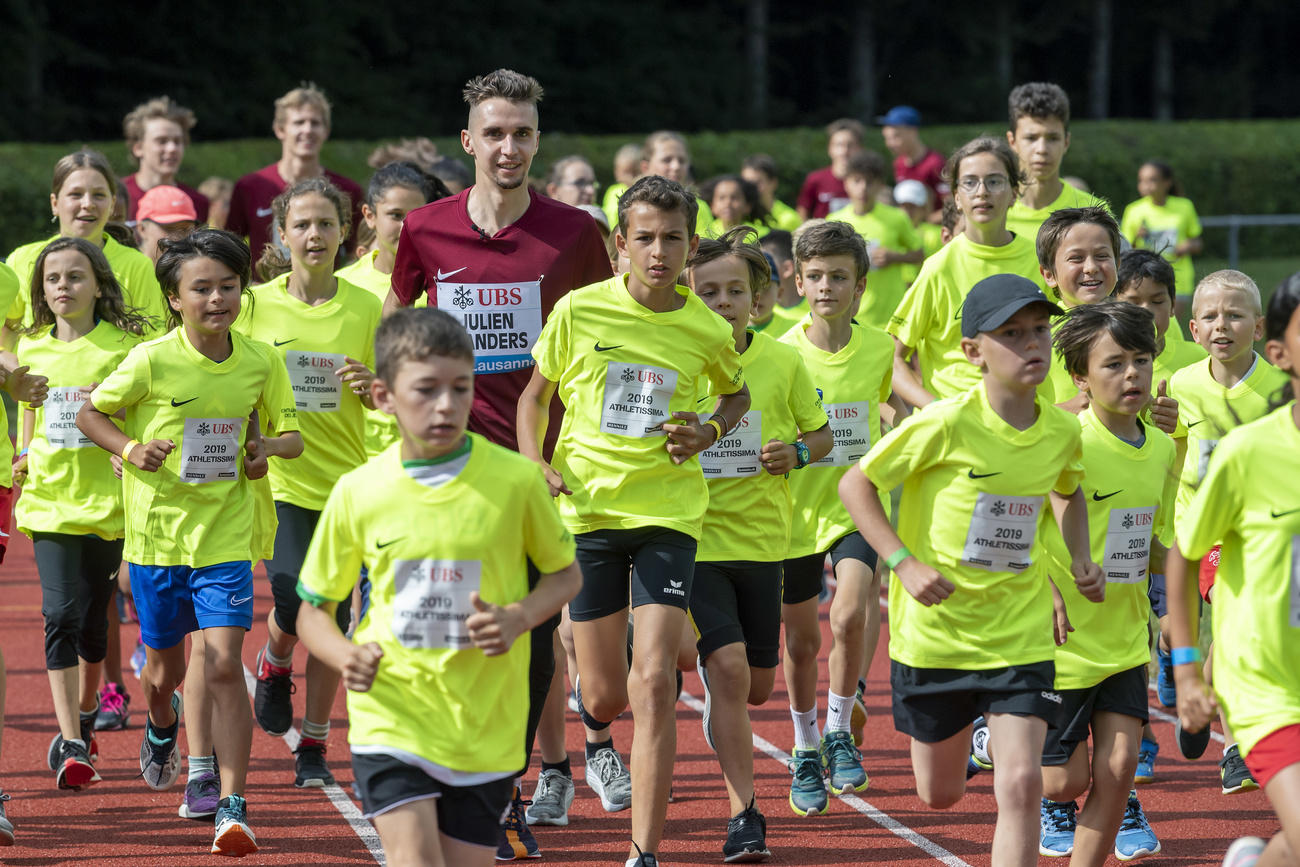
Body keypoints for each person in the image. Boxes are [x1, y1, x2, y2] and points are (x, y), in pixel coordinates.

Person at [385, 68, 612, 860]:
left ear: (537, 141)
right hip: (446, 460)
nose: (508, 146)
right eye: (495, 132)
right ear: (468, 142)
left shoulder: (576, 232)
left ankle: (502, 783)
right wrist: (395, 393)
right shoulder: (427, 229)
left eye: (522, 132)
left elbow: (608, 334)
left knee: (533, 634)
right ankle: (449, 780)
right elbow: (396, 319)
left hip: (544, 465)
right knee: (451, 622)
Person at [518, 175, 749, 867]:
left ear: (692, 245)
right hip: (587, 513)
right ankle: (593, 723)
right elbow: (535, 398)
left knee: (654, 681)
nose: (658, 251)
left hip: (668, 515)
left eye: (672, 239)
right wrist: (535, 463)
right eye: (643, 238)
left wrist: (707, 432)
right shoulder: (579, 311)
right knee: (611, 691)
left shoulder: (706, 327)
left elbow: (734, 397)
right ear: (619, 245)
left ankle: (643, 850)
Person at [295, 307, 581, 867]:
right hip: (392, 713)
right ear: (383, 396)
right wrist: (345, 653)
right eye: (426, 390)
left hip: (485, 721)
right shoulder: (359, 491)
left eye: (461, 388)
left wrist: (518, 617)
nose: (447, 405)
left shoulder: (517, 481)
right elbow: (312, 610)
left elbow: (565, 574)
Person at [840, 272, 1105, 867]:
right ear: (972, 352)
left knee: (1020, 785)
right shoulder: (944, 423)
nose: (1032, 343)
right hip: (936, 637)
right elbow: (855, 483)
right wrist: (902, 563)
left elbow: (1069, 491)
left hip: (1019, 633)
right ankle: (965, 738)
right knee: (941, 795)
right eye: (1012, 333)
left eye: (1040, 330)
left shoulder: (1062, 429)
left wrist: (1080, 558)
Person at [75, 228, 303, 857]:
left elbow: (291, 436)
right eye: (201, 289)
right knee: (164, 673)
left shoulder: (261, 360)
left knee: (226, 662)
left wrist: (264, 451)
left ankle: (232, 803)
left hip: (225, 535)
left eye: (228, 287)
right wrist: (128, 447)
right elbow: (90, 412)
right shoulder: (152, 359)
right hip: (157, 540)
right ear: (175, 298)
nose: (216, 299)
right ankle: (161, 721)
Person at [687, 227, 832, 858]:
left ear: (760, 297)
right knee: (728, 673)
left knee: (758, 687)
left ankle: (721, 709)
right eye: (709, 291)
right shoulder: (678, 355)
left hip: (765, 542)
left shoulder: (782, 360)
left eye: (735, 291)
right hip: (692, 539)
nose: (723, 302)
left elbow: (822, 438)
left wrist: (794, 453)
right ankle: (745, 812)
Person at [236, 178, 382, 794]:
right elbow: (234, 379)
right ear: (283, 233)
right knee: (298, 595)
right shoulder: (254, 305)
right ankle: (274, 660)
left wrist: (373, 382)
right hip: (284, 481)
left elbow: (390, 394)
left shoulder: (368, 307)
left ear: (345, 231)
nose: (315, 236)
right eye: (302, 225)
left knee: (333, 616)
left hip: (349, 483)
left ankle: (316, 741)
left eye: (326, 224)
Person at [1032, 301, 1176, 863]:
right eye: (1114, 364)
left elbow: (1155, 543)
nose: (1132, 374)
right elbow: (1013, 527)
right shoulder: (1062, 438)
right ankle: (997, 729)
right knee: (1061, 785)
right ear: (1080, 378)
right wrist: (1044, 591)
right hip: (1059, 643)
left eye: (1141, 360)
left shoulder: (1163, 447)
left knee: (1119, 769)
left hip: (1122, 638)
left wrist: (1182, 603)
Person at [1166, 276, 1300, 867]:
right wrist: (1188, 669)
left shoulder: (1269, 392)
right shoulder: (1244, 443)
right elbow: (1185, 546)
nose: (1222, 327)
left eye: (1235, 316)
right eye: (1211, 318)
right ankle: (1227, 727)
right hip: (1266, 682)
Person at [12, 238, 147, 790]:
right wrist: (23, 453)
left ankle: (87, 713)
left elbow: (141, 415)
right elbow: (29, 414)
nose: (62, 286)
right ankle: (72, 741)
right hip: (50, 503)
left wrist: (127, 447)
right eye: (52, 279)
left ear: (98, 284)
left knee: (95, 625)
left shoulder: (124, 349)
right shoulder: (31, 348)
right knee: (60, 614)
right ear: (42, 290)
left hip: (110, 506)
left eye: (74, 276)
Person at [777, 221, 899, 817]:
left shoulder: (879, 349)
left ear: (860, 286)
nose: (827, 287)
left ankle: (838, 729)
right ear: (797, 281)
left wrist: (890, 423)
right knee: (800, 643)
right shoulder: (778, 348)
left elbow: (888, 403)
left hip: (853, 504)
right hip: (792, 512)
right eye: (816, 276)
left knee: (852, 612)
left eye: (840, 277)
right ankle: (803, 747)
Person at [1112, 249, 1205, 785]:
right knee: (1126, 641)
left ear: (1175, 306)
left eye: (1158, 302)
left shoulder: (1194, 365)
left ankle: (1173, 660)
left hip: (1175, 524)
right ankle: (1141, 738)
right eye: (1134, 302)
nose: (1147, 312)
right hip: (1119, 520)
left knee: (1171, 630)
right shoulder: (1107, 354)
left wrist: (1175, 428)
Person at [889, 137, 1047, 409]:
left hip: (1031, 422)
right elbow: (891, 358)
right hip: (960, 429)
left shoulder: (1042, 259)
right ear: (956, 198)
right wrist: (935, 408)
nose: (982, 192)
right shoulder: (938, 267)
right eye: (970, 182)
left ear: (1014, 193)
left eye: (995, 181)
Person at [4, 150, 167, 333]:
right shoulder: (22, 260)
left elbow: (154, 334)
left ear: (112, 204)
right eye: (76, 194)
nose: (88, 203)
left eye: (98, 195)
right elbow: (7, 327)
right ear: (55, 203)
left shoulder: (137, 266)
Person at [226, 84, 364, 271]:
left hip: (326, 296)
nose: (307, 130)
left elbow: (357, 255)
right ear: (280, 129)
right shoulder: (249, 186)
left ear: (326, 131)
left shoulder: (347, 191)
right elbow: (228, 252)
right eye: (299, 122)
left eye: (315, 123)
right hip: (263, 295)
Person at [825, 153, 922, 330]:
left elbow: (919, 254)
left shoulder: (896, 217)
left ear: (880, 185)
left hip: (891, 315)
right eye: (857, 181)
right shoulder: (834, 220)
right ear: (846, 183)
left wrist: (894, 257)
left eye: (869, 182)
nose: (863, 188)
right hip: (850, 316)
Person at [1004, 83, 1109, 242]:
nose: (1042, 149)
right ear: (1012, 141)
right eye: (1031, 138)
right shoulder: (994, 213)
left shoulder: (1093, 212)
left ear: (1066, 142)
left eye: (1053, 138)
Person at [1120, 161, 1203, 320]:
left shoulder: (1184, 206)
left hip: (1178, 277)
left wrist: (1187, 246)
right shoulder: (1133, 210)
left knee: (1169, 325)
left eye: (1152, 180)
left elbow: (1198, 243)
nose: (1146, 185)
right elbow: (1126, 251)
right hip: (1143, 279)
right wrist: (1137, 237)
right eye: (1142, 180)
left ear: (1167, 182)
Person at [120, 96, 210, 225]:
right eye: (161, 141)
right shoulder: (118, 197)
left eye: (178, 141)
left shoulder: (197, 202)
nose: (172, 148)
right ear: (138, 148)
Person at [877, 105, 947, 222]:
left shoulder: (935, 163)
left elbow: (953, 205)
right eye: (887, 138)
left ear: (913, 132)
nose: (890, 144)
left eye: (896, 136)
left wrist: (926, 221)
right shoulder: (898, 163)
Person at [796, 119, 864, 220]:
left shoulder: (867, 182)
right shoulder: (815, 179)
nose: (844, 151)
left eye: (850, 145)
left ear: (860, 148)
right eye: (839, 145)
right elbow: (802, 211)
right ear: (830, 148)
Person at [894, 180, 943, 286]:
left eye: (912, 207)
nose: (907, 211)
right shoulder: (891, 232)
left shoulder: (936, 234)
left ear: (923, 208)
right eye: (904, 206)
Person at [134, 185, 198, 264]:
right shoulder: (123, 272)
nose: (178, 239)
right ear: (142, 229)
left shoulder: (202, 273)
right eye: (169, 228)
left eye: (185, 229)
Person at [759, 230, 804, 338]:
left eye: (765, 260)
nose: (758, 267)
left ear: (787, 268)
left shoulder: (815, 312)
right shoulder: (756, 312)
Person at [741, 155, 801, 231]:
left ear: (773, 183)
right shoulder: (736, 216)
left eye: (757, 182)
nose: (751, 188)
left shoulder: (788, 219)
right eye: (746, 183)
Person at [701, 174, 768, 239]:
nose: (728, 203)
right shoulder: (704, 236)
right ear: (712, 206)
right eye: (722, 198)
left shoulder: (762, 236)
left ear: (747, 206)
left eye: (734, 197)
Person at [600, 143, 644, 230]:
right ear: (616, 172)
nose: (630, 177)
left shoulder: (643, 191)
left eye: (635, 173)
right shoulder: (611, 191)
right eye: (626, 173)